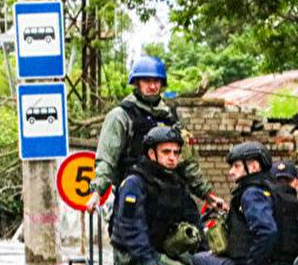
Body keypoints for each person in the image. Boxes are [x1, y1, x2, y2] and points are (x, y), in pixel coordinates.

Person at [87, 55, 224, 213]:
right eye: (147, 81)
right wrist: (97, 192)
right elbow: (106, 159)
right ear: (137, 83)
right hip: (135, 196)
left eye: (156, 81)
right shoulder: (121, 116)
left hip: (169, 198)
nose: (152, 86)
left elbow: (187, 163)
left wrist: (208, 194)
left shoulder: (170, 117)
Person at [109, 126, 206, 265]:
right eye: (166, 152)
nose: (172, 158)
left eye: (176, 153)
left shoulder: (176, 183)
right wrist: (149, 264)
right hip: (132, 256)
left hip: (165, 249)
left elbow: (193, 219)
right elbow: (131, 228)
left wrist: (207, 255)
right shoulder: (135, 184)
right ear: (151, 154)